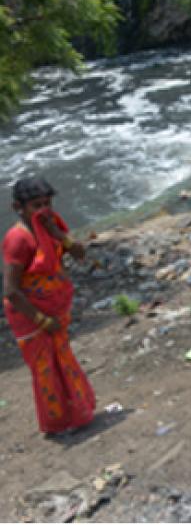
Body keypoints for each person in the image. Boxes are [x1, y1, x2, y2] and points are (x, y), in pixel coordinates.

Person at [3, 178, 94, 436]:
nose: (43, 210)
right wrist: (42, 320)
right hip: (32, 314)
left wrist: (56, 234)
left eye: (47, 204)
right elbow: (11, 290)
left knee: (63, 361)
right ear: (18, 207)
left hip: (54, 309)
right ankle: (57, 424)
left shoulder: (49, 227)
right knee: (46, 370)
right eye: (36, 206)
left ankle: (77, 415)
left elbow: (78, 253)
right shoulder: (18, 239)